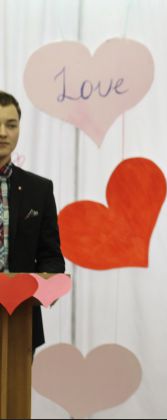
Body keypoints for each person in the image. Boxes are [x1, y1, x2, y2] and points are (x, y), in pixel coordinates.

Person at [0, 90, 65, 352]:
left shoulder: (39, 189)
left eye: (11, 125)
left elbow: (51, 257)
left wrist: (49, 285)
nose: (3, 133)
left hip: (21, 321)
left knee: (15, 382)